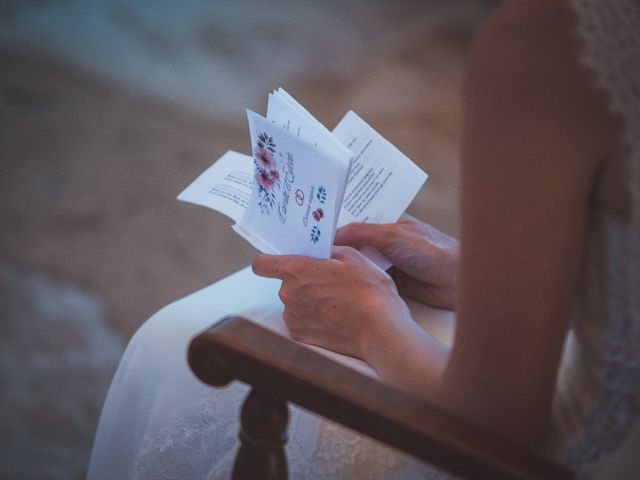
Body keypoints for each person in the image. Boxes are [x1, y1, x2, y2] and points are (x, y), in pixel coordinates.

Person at [88, 0, 640, 478]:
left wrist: (371, 324)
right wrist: (475, 277)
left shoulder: (548, 42)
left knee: (175, 344)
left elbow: (496, 423)